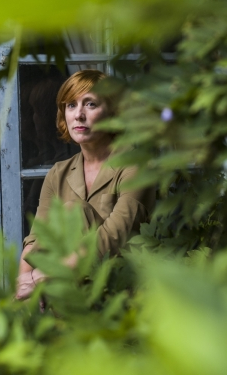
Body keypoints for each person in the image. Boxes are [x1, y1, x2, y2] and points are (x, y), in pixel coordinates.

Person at [16, 69, 156, 300]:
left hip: (119, 292)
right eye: (71, 105)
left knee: (74, 210)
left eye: (90, 104)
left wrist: (47, 273)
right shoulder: (58, 173)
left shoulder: (136, 165)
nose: (78, 115)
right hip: (63, 294)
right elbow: (38, 237)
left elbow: (112, 237)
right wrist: (23, 279)